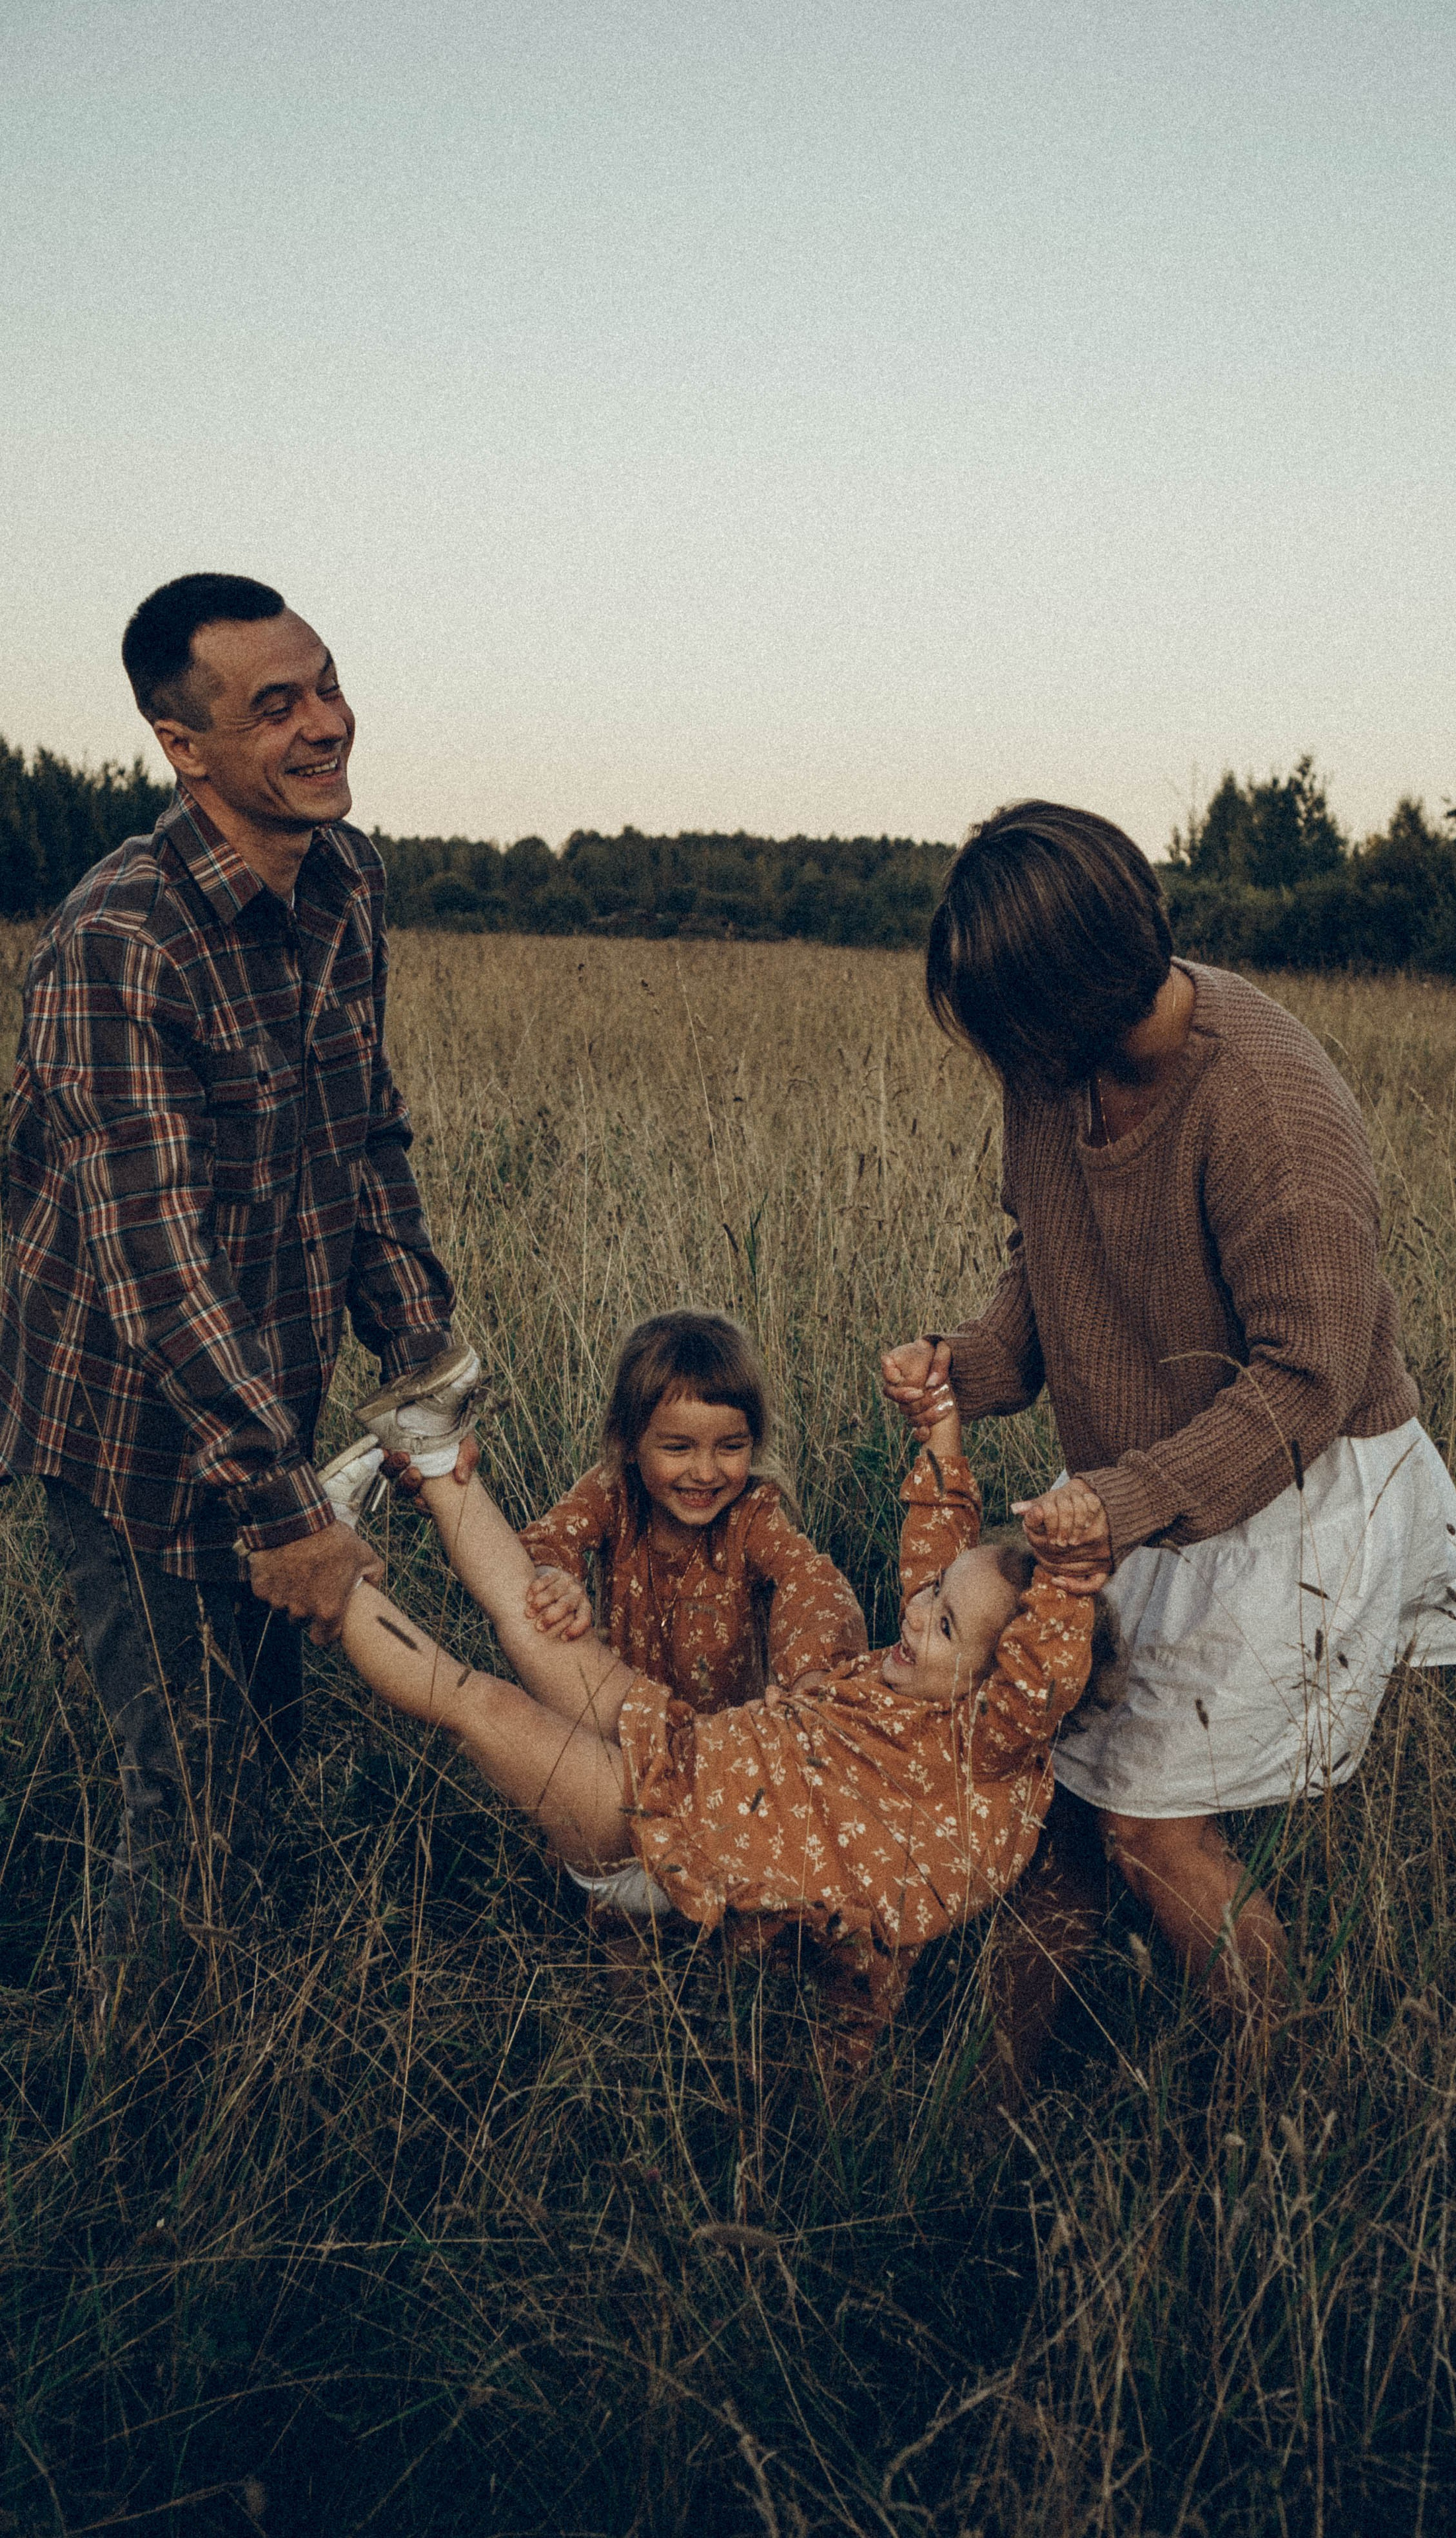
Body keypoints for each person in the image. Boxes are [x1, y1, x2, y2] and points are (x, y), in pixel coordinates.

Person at [882, 800, 1456, 2056]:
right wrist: (973, 1365)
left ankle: (1273, 2120)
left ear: (1069, 995)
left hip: (1288, 1491)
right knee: (1055, 1809)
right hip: (1137, 1487)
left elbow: (1307, 1378)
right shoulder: (1055, 1069)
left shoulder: (1267, 1102)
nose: (996, 1060)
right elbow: (1045, 1256)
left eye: (1005, 1028)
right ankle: (987, 2130)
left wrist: (1132, 1497)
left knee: (1152, 1836)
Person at [0, 572, 457, 1993]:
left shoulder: (348, 881)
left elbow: (359, 1128)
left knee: (260, 1755)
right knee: (188, 1798)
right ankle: (117, 2125)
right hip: (128, 1431)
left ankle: (228, 2015)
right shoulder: (116, 943)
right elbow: (154, 1264)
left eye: (324, 684)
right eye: (277, 707)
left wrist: (423, 1351)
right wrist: (281, 1505)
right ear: (182, 747)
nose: (328, 724)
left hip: (266, 1398)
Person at [317, 1347, 1105, 2069]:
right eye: (930, 1595)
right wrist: (939, 1428)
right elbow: (939, 1534)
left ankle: (326, 1567)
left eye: (942, 1623)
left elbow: (1039, 1670)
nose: (915, 1612)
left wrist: (1067, 1579)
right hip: (690, 1750)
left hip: (667, 1836)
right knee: (536, 1632)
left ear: (1005, 1687)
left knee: (482, 1704)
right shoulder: (930, 1670)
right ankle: (428, 1445)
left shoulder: (984, 1740)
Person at [513, 1309, 868, 1721]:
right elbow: (549, 1540)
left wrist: (812, 1678)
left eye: (731, 1447)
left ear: (754, 1441)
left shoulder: (750, 1514)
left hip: (725, 1755)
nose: (704, 1473)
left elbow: (810, 1581)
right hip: (623, 1733)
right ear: (628, 1442)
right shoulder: (613, 1491)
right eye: (678, 1448)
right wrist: (555, 1580)